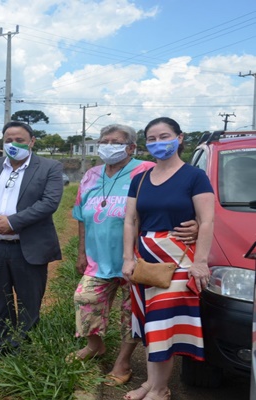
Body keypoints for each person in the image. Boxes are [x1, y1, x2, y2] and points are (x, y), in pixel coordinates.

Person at [70, 124, 198, 386]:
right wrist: (81, 252)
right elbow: (81, 216)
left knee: (132, 312)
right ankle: (95, 345)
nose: (107, 145)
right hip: (98, 258)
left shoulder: (146, 170)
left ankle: (123, 360)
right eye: (104, 140)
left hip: (138, 258)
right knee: (85, 298)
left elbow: (175, 203)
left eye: (114, 141)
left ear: (130, 147)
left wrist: (194, 222)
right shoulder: (91, 175)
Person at [121, 117, 214, 400]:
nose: (158, 143)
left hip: (179, 260)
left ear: (180, 138)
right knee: (149, 323)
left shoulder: (194, 176)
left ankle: (160, 390)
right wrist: (128, 258)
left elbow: (207, 220)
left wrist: (201, 261)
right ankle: (152, 383)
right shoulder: (139, 179)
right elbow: (130, 221)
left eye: (164, 136)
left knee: (162, 324)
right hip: (146, 259)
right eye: (152, 138)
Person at [0, 121, 64, 365]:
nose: (14, 144)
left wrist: (12, 222)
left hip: (28, 246)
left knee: (29, 299)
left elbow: (49, 202)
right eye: (8, 139)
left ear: (32, 141)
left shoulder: (50, 167)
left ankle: (25, 348)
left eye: (20, 139)